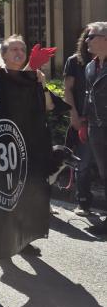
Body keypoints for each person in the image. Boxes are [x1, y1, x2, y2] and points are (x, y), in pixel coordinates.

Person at [63, 29, 95, 213]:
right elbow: (68, 90)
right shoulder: (74, 61)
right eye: (89, 37)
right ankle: (83, 201)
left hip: (101, 120)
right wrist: (73, 115)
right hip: (82, 120)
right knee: (82, 162)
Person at [82, 23, 107, 237]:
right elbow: (88, 96)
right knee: (104, 173)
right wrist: (84, 121)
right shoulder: (90, 66)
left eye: (91, 37)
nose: (87, 40)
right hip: (96, 128)